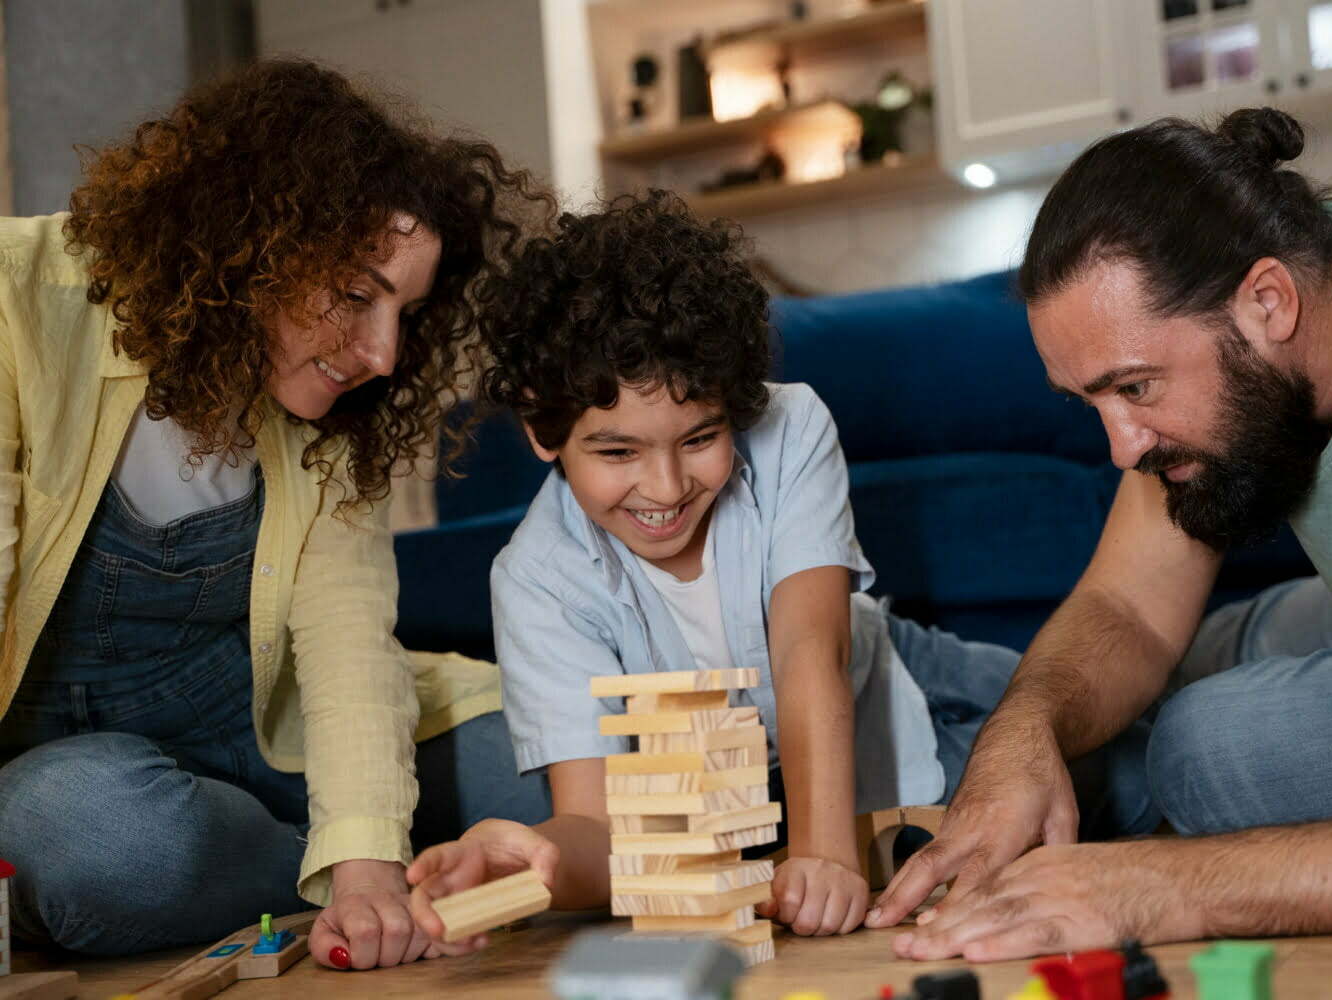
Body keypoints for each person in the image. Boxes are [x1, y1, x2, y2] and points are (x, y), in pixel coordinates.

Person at [401, 192, 1150, 946]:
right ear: (541, 428)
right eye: (618, 452)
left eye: (700, 437)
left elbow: (807, 651)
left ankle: (1220, 645)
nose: (665, 489)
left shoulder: (792, 427)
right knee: (1075, 807)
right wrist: (533, 867)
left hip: (897, 680)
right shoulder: (536, 580)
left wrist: (826, 854)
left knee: (1125, 743)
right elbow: (600, 825)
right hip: (775, 790)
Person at [865, 107, 1332, 960]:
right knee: (1203, 648)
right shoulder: (1298, 257)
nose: (1121, 447)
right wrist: (1022, 734)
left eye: (1136, 388)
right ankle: (943, 694)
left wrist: (1166, 883)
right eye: (1092, 402)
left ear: (1268, 302)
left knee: (1209, 746)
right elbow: (1130, 605)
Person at [0, 59, 553, 968]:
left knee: (560, 790)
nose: (382, 355)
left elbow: (345, 641)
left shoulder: (339, 408)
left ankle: (340, 859)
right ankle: (325, 864)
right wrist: (352, 865)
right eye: (356, 294)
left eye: (405, 313)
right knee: (106, 845)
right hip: (70, 771)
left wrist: (369, 857)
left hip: (273, 730)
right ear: (248, 243)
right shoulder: (21, 304)